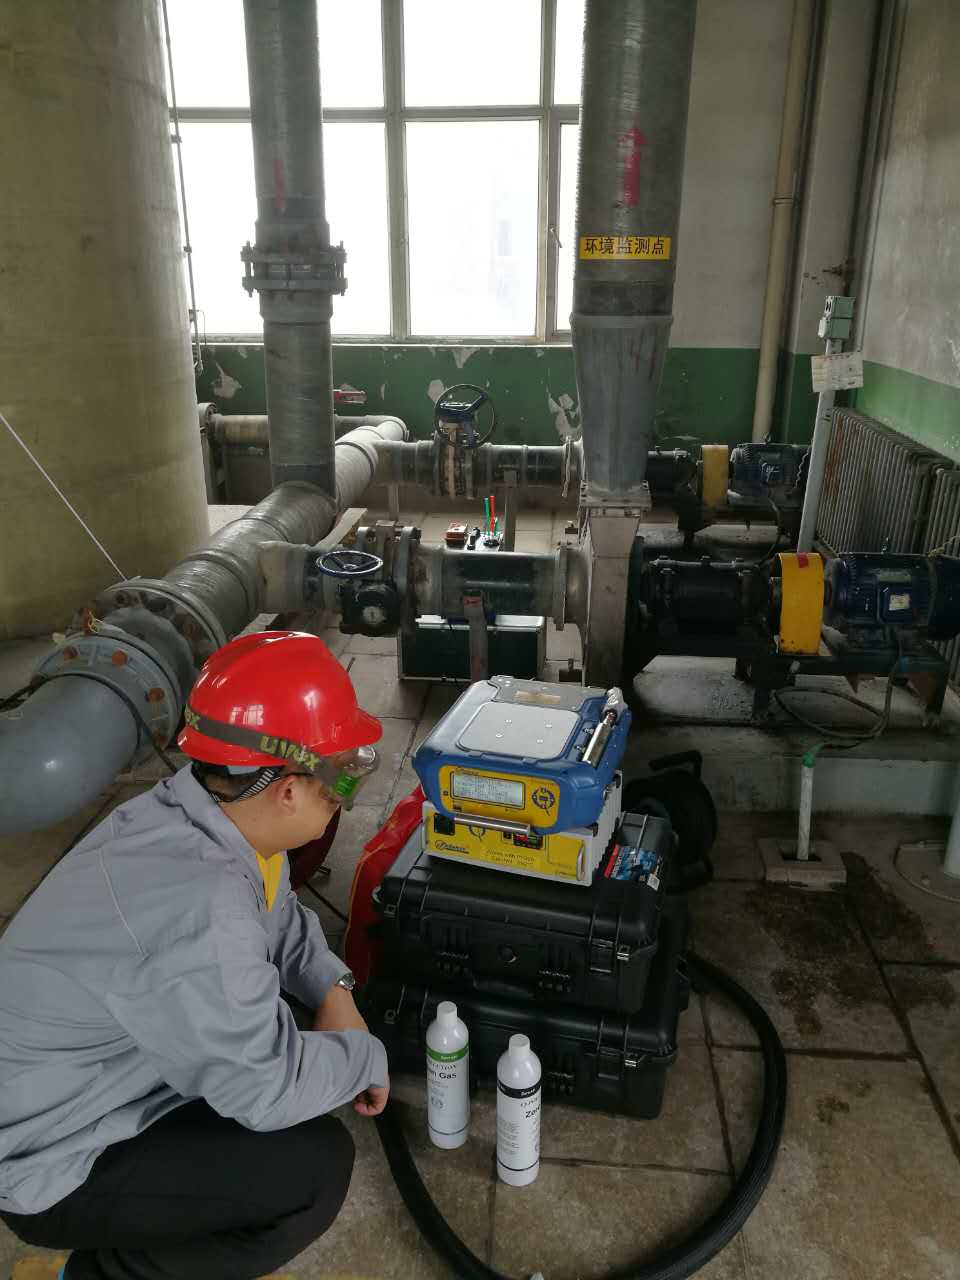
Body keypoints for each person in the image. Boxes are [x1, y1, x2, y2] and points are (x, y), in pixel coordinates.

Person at [0, 631, 389, 1280]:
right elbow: (265, 1089)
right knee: (314, 1171)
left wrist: (333, 987)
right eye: (339, 779)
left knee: (291, 1033)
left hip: (88, 1082)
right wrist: (366, 1056)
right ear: (288, 789)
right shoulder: (203, 911)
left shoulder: (202, 811)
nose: (342, 796)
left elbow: (275, 907)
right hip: (47, 1155)